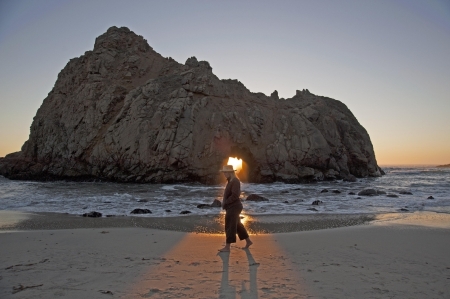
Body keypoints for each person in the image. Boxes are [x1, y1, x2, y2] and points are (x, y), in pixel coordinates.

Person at [218, 165, 253, 252]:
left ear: (231, 172)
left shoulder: (235, 181)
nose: (224, 174)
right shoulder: (230, 181)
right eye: (224, 172)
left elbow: (235, 195)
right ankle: (248, 241)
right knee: (237, 226)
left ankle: (227, 247)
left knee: (230, 225)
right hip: (232, 206)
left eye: (226, 172)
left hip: (234, 207)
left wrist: (225, 202)